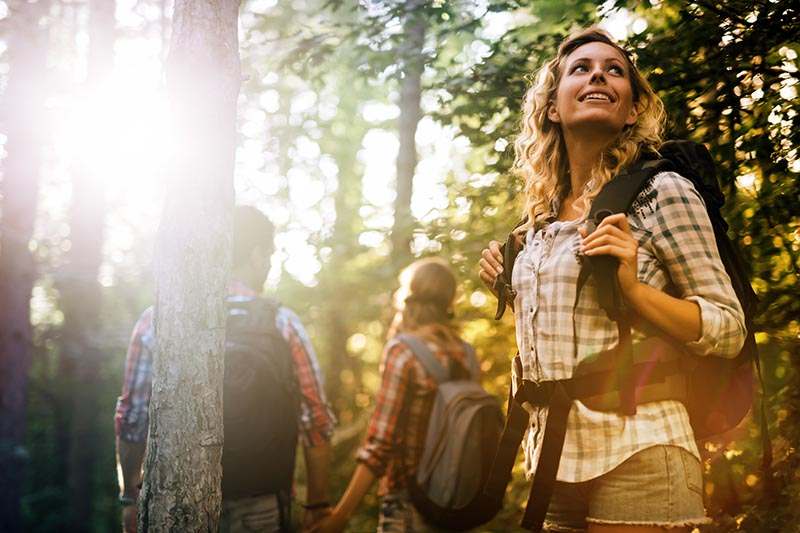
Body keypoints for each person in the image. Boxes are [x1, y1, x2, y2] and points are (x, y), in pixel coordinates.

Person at [478, 28, 746, 532]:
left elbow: (728, 328)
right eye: (580, 69)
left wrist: (634, 288)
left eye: (614, 70)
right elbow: (573, 338)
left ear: (630, 110)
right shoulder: (536, 225)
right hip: (553, 462)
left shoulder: (663, 192)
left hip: (642, 450)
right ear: (553, 107)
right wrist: (509, 285)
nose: (598, 73)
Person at [114, 206, 336, 533]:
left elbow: (132, 418)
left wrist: (130, 496)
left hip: (177, 501)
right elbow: (316, 419)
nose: (270, 263)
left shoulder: (157, 319)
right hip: (263, 501)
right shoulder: (282, 323)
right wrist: (318, 504)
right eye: (269, 254)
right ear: (257, 253)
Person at [311, 257, 477, 533]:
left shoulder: (403, 352)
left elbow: (380, 445)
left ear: (409, 296)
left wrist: (340, 516)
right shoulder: (467, 354)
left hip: (410, 505)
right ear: (449, 301)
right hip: (457, 502)